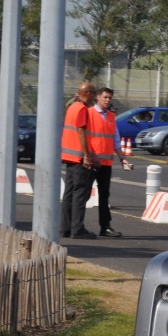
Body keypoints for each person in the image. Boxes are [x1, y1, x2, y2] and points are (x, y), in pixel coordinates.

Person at [68, 85, 131, 239]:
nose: (107, 100)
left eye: (110, 98)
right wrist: (88, 156)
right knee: (83, 194)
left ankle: (105, 226)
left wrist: (122, 158)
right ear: (97, 97)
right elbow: (83, 136)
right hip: (91, 161)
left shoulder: (111, 116)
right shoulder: (88, 113)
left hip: (106, 163)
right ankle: (75, 226)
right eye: (105, 97)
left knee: (104, 196)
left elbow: (115, 139)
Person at [61, 82, 97, 238]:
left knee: (69, 193)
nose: (95, 97)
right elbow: (81, 132)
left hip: (68, 157)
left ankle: (65, 228)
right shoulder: (82, 109)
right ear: (87, 93)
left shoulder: (72, 107)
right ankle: (77, 229)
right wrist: (87, 156)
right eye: (94, 93)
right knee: (80, 194)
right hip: (78, 158)